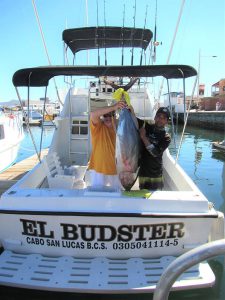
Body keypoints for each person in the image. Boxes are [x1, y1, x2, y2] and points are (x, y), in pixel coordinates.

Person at [88, 100, 127, 188]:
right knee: (98, 195)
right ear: (102, 116)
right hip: (98, 169)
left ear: (114, 116)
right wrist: (113, 107)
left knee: (118, 196)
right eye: (105, 115)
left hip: (116, 170)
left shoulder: (118, 127)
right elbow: (93, 114)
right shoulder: (98, 127)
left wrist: (124, 106)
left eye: (111, 115)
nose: (108, 117)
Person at [138, 107, 171, 190]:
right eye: (159, 116)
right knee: (143, 199)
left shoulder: (166, 137)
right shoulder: (146, 126)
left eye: (164, 118)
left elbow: (155, 152)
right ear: (155, 117)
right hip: (143, 173)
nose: (160, 119)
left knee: (156, 200)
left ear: (167, 121)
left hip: (156, 175)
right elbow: (132, 118)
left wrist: (143, 137)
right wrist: (127, 105)